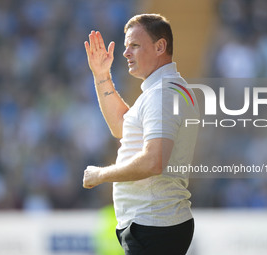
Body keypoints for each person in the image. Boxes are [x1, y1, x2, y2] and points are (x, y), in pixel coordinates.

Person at [83, 14, 199, 255]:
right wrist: (101, 75)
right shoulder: (163, 89)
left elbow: (153, 161)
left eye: (134, 45)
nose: (126, 53)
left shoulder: (163, 93)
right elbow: (121, 127)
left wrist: (101, 174)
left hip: (153, 225)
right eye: (126, 46)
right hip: (154, 225)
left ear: (160, 47)